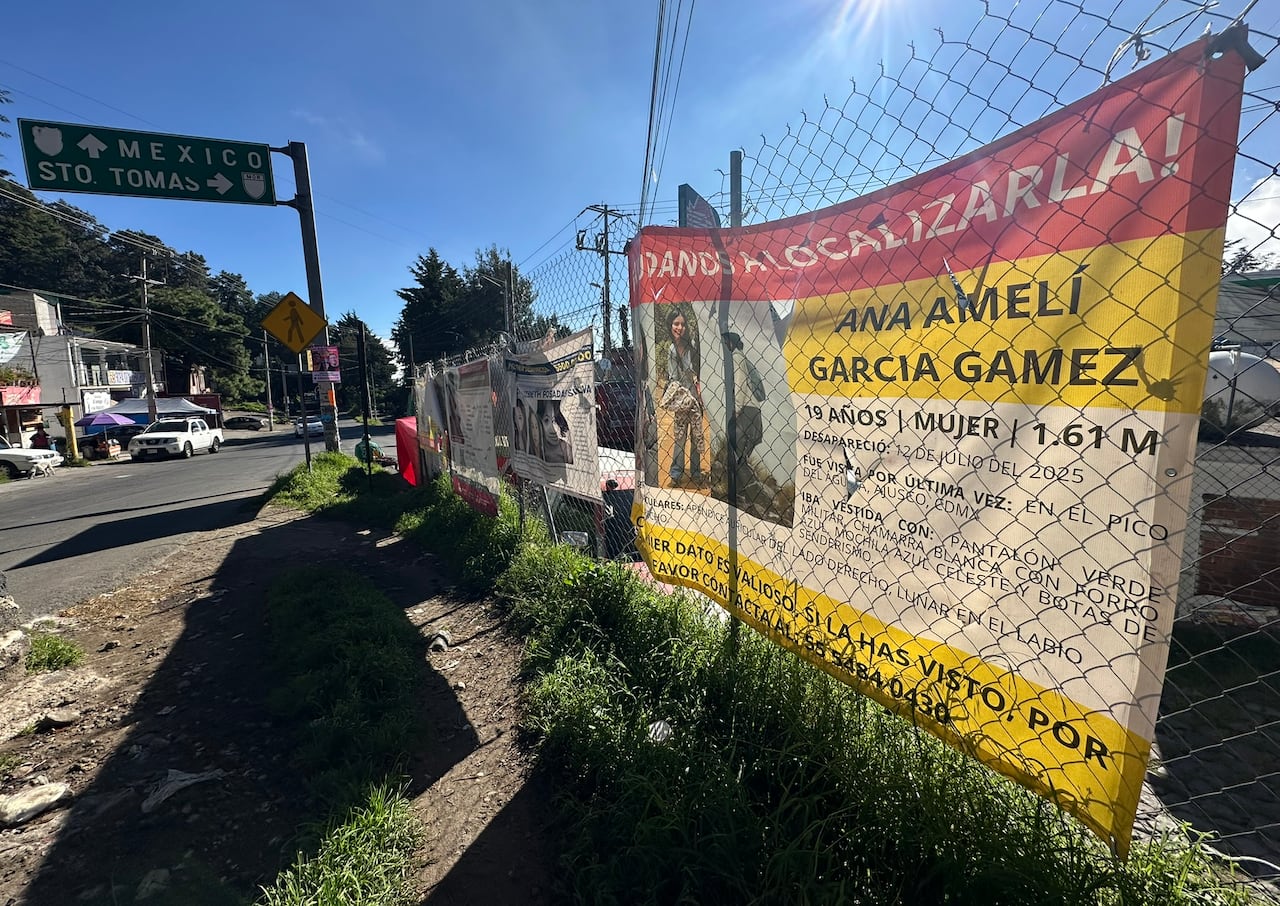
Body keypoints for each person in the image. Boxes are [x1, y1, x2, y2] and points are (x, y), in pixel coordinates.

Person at [661, 310, 704, 486]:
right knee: (679, 437)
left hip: (695, 400)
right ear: (671, 326)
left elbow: (698, 369)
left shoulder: (693, 345)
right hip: (681, 400)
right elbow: (673, 378)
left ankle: (695, 472)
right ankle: (676, 473)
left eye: (683, 324)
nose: (680, 327)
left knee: (696, 437)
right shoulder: (672, 350)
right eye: (676, 324)